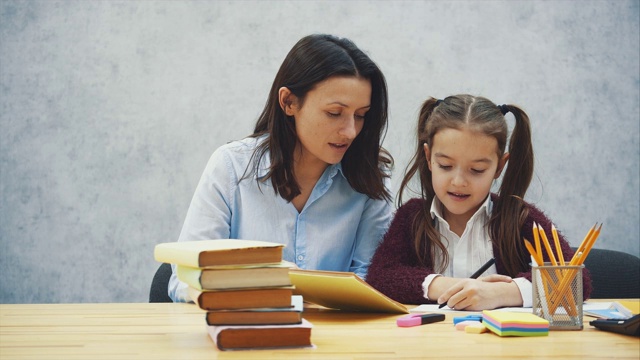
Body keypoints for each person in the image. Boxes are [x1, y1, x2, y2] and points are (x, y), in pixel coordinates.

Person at [168, 34, 394, 302]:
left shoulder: (370, 179)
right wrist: (267, 281)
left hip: (336, 340)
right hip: (244, 333)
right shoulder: (231, 167)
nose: (350, 131)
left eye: (360, 116)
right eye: (334, 113)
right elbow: (184, 279)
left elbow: (373, 281)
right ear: (289, 102)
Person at [366, 95, 592, 310]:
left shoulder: (520, 218)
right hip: (431, 345)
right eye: (445, 165)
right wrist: (448, 286)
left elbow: (575, 281)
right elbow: (380, 277)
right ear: (428, 157)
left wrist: (499, 293)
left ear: (499, 166)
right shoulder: (412, 217)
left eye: (477, 170)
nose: (458, 182)